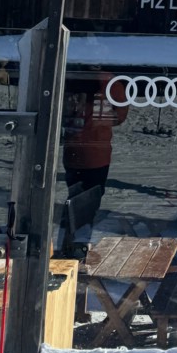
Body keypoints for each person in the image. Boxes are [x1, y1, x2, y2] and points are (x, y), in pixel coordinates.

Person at [57, 76, 128, 255]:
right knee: (89, 202)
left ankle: (67, 243)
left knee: (74, 199)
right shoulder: (110, 83)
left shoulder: (71, 78)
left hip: (74, 151)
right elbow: (119, 116)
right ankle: (78, 245)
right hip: (96, 153)